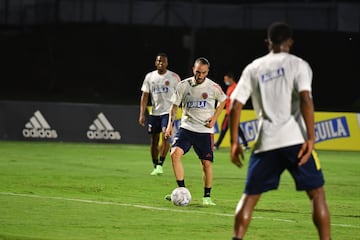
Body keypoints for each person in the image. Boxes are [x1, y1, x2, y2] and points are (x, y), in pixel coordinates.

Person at [229, 22, 331, 239]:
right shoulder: (300, 65)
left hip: (266, 143)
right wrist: (311, 138)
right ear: (290, 42)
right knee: (317, 194)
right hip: (297, 142)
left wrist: (234, 143)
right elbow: (306, 99)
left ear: (268, 42)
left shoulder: (253, 68)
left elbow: (235, 106)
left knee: (249, 197)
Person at [164, 57, 227, 206]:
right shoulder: (183, 85)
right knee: (174, 154)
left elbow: (223, 100)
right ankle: (182, 191)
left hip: (205, 131)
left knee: (206, 163)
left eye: (203, 73)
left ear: (207, 72)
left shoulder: (213, 87)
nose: (200, 76)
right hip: (186, 128)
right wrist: (169, 125)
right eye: (198, 72)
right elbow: (174, 107)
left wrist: (215, 118)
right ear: (193, 69)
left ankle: (207, 197)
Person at [139, 53, 181, 176]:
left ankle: (161, 164)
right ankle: (155, 165)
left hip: (168, 112)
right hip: (154, 113)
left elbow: (180, 94)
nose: (161, 63)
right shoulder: (150, 77)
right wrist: (142, 114)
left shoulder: (173, 77)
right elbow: (145, 96)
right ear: (155, 62)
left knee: (166, 135)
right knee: (154, 140)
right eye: (158, 61)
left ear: (167, 63)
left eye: (163, 61)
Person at [214, 72, 249, 150]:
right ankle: (246, 144)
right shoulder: (230, 88)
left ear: (230, 79)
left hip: (230, 112)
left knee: (224, 128)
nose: (225, 81)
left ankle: (217, 144)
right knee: (236, 128)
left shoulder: (235, 88)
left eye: (226, 79)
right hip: (229, 111)